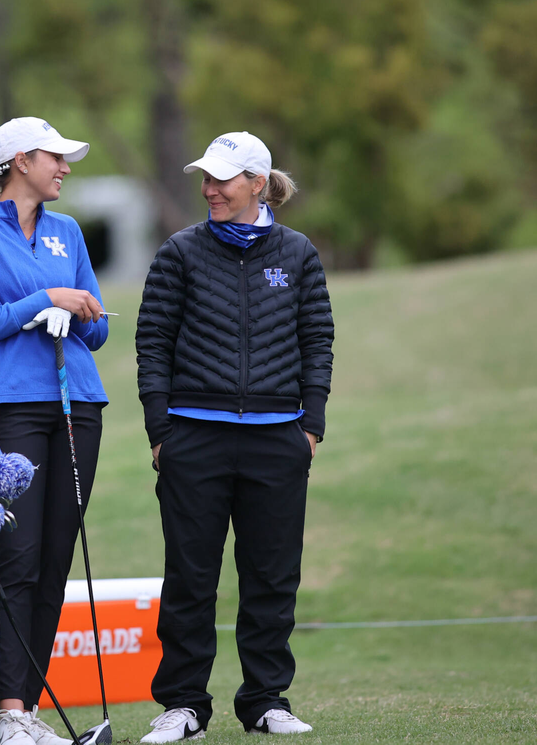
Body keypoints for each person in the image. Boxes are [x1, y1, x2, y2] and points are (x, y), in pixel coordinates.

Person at [135, 132, 334, 741]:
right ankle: (184, 705)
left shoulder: (297, 253)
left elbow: (317, 340)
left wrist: (311, 424)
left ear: (256, 182)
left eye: (222, 179)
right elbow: (153, 343)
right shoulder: (180, 252)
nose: (210, 189)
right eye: (206, 178)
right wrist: (161, 429)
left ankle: (266, 700)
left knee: (272, 577)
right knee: (191, 576)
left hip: (279, 438)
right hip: (194, 437)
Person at [0, 117, 109, 745]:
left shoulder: (67, 232)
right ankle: (11, 713)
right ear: (18, 162)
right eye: (55, 158)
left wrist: (79, 311)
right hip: (9, 407)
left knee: (56, 560)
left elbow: (99, 328)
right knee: (19, 558)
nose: (65, 168)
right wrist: (45, 302)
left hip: (77, 405)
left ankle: (28, 713)